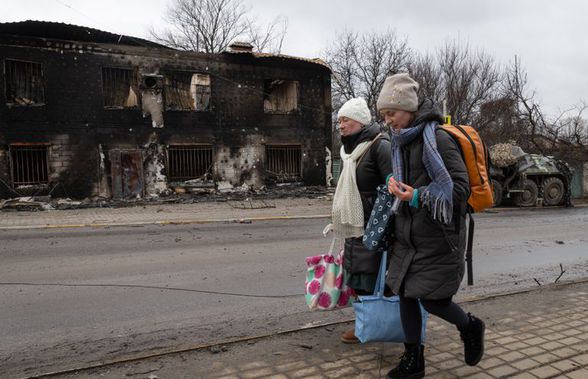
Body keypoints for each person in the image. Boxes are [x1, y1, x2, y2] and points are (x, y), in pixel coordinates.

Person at [376, 73, 485, 379]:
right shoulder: (399, 142)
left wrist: (417, 196)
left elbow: (460, 190)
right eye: (384, 115)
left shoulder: (437, 139)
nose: (388, 121)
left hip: (438, 237)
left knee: (434, 300)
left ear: (409, 108)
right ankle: (414, 361)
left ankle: (470, 326)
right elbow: (403, 179)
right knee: (406, 295)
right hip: (407, 236)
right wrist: (392, 183)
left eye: (391, 113)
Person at [331, 97, 392, 344]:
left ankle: (376, 324)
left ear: (360, 121)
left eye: (345, 120)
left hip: (375, 225)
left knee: (373, 277)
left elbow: (393, 185)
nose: (341, 125)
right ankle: (366, 323)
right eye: (339, 121)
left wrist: (380, 218)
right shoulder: (347, 152)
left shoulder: (380, 145)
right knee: (358, 276)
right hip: (353, 223)